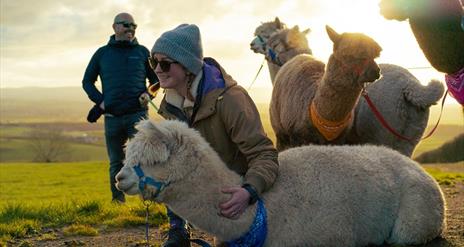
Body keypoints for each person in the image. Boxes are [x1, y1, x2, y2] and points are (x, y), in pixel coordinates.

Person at [150, 24, 279, 247]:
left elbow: (265, 155)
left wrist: (248, 192)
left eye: (165, 63)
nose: (157, 70)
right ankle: (178, 230)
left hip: (240, 193)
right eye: (154, 62)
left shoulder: (231, 100)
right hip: (210, 191)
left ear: (188, 67)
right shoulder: (171, 104)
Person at [82, 13, 157, 203]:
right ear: (115, 27)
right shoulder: (102, 54)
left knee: (143, 159)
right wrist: (101, 102)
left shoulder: (142, 52)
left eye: (134, 25)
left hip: (138, 116)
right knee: (116, 162)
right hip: (112, 117)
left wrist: (149, 94)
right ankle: (117, 203)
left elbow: (156, 81)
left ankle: (146, 201)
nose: (131, 28)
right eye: (126, 25)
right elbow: (87, 81)